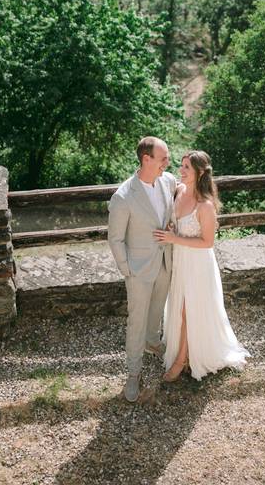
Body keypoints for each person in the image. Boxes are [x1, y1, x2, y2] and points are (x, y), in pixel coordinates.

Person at [153, 150, 250, 381]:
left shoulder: (205, 205)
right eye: (182, 165)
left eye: (187, 167)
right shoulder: (179, 190)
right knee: (178, 308)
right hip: (180, 260)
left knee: (188, 310)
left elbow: (207, 242)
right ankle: (183, 351)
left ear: (199, 172)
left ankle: (181, 361)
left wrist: (174, 239)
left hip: (197, 263)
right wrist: (171, 231)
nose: (181, 170)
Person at [107, 137, 177, 403]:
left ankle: (152, 340)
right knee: (135, 321)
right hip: (138, 269)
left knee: (158, 308)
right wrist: (128, 271)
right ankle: (133, 373)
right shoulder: (124, 196)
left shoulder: (168, 181)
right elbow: (115, 239)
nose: (167, 163)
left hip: (164, 262)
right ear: (146, 159)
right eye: (163, 158)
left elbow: (175, 211)